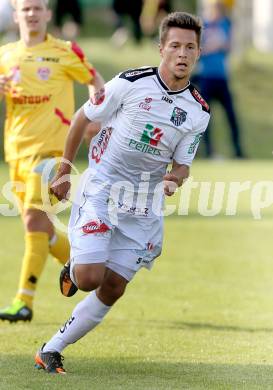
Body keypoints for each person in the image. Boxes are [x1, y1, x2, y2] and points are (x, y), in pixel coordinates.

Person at [34, 11, 210, 374]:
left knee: (113, 286)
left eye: (189, 47)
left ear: (197, 53)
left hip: (144, 203)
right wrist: (65, 168)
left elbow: (183, 164)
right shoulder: (130, 83)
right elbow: (83, 117)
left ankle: (50, 349)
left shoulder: (197, 112)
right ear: (161, 48)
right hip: (102, 186)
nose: (182, 53)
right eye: (175, 45)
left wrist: (173, 180)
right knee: (88, 279)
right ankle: (76, 264)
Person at [0, 0, 104, 323]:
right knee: (42, 228)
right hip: (16, 150)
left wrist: (96, 115)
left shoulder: (63, 51)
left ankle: (24, 301)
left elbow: (95, 79)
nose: (31, 14)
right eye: (25, 9)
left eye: (37, 8)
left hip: (51, 152)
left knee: (33, 221)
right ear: (16, 15)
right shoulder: (5, 55)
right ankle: (82, 265)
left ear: (47, 13)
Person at [196, 1, 244, 158]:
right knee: (205, 118)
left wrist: (222, 45)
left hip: (222, 77)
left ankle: (238, 152)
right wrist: (212, 47)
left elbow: (228, 47)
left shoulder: (225, 24)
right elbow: (197, 51)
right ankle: (209, 152)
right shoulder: (202, 26)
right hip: (206, 78)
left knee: (232, 116)